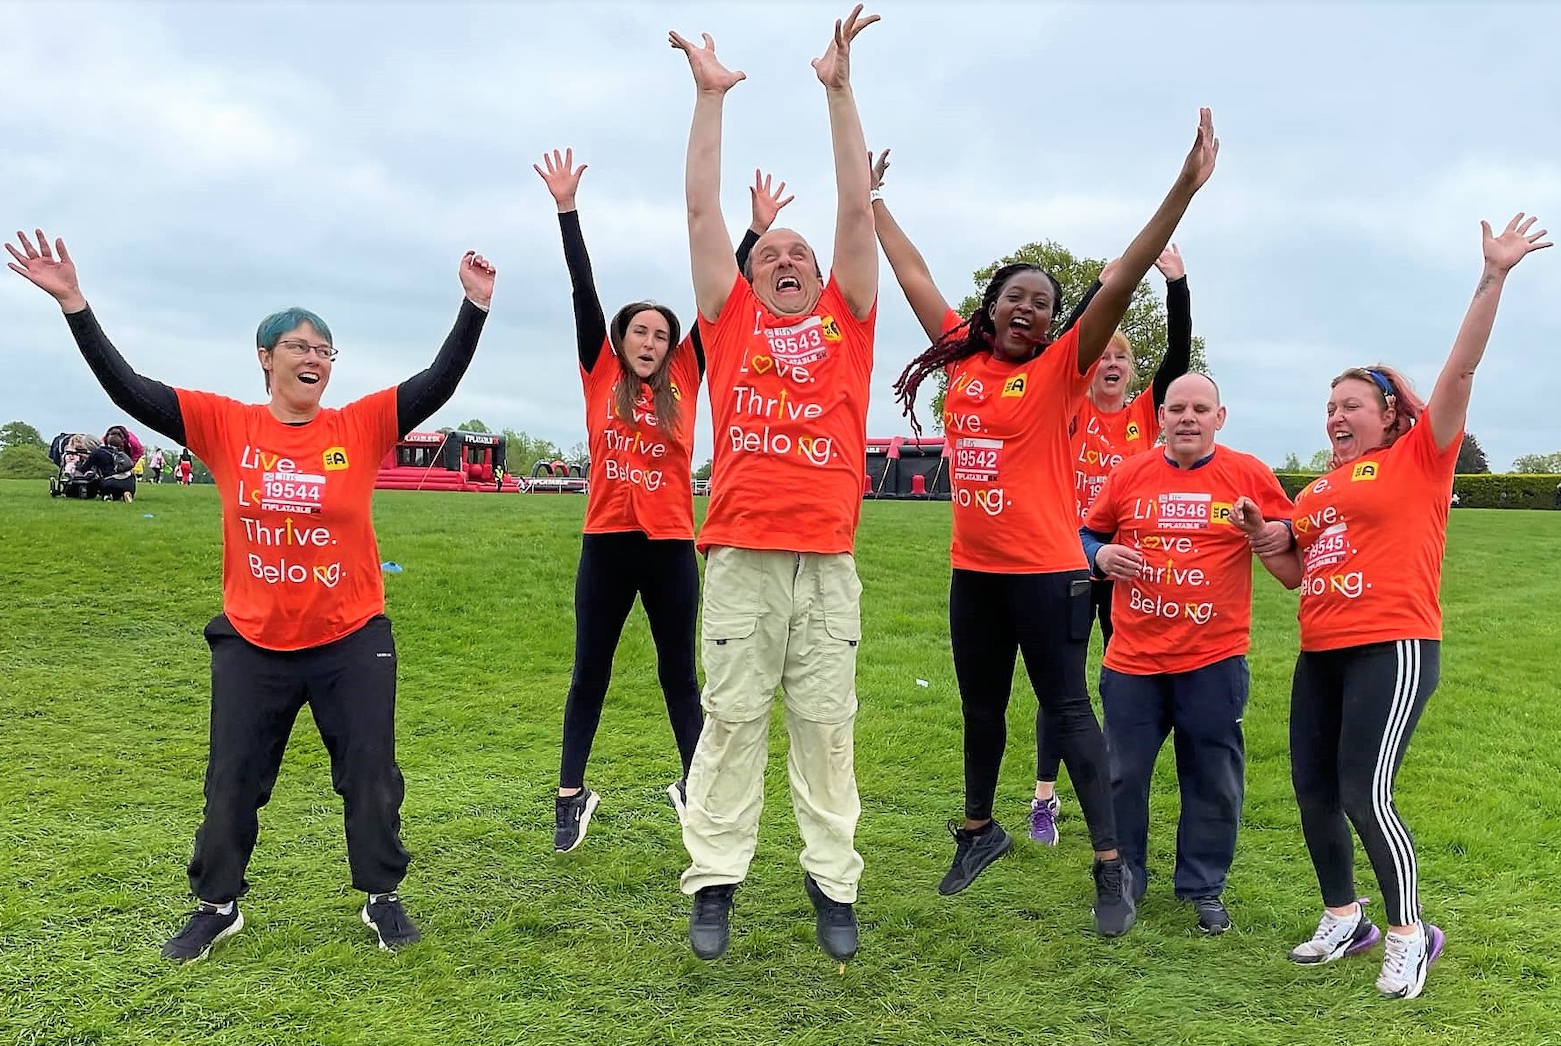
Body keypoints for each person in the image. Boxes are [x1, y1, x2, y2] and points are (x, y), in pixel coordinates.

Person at [7, 226, 497, 961]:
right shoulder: (225, 424)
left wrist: (473, 308)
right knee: (231, 780)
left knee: (370, 777)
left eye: (323, 349)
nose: (313, 358)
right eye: (297, 346)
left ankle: (381, 896)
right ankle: (216, 903)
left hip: (350, 635)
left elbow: (436, 382)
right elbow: (130, 390)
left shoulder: (357, 426)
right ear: (265, 359)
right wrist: (76, 304)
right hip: (253, 638)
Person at [874, 108, 1219, 936]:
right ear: (989, 308)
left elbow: (1124, 276)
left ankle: (1109, 868)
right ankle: (977, 830)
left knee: (1066, 712)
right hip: (975, 574)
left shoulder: (1064, 367)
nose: (1028, 308)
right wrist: (872, 200)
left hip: (1047, 572)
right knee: (980, 710)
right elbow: (913, 274)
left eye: (1043, 301)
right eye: (1014, 297)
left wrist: (1183, 187)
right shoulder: (960, 360)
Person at [1241, 212, 1549, 999]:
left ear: (1386, 417)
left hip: (1393, 646)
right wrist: (1264, 536)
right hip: (1323, 651)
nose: (1336, 417)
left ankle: (1412, 934)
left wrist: (1492, 276)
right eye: (1329, 406)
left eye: (1352, 405)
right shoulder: (1314, 489)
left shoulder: (1420, 458)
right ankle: (1345, 916)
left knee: (1361, 790)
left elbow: (1461, 372)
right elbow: (1296, 575)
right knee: (1311, 787)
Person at [668, 6, 879, 963]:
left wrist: (838, 89)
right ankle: (714, 880)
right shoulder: (729, 322)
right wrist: (710, 99)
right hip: (744, 557)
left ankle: (831, 884)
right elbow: (705, 215)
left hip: (826, 565)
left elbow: (850, 208)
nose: (786, 260)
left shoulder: (851, 319)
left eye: (797, 255)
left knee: (826, 730)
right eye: (771, 257)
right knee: (731, 722)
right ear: (748, 278)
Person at [534, 149, 793, 853]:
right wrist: (567, 210)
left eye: (659, 333)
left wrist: (752, 230)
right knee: (590, 669)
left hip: (673, 544)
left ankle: (697, 788)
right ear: (620, 339)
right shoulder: (598, 369)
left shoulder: (687, 370)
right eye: (639, 332)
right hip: (607, 543)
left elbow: (723, 296)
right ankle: (568, 795)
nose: (649, 341)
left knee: (680, 673)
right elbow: (580, 287)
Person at [1080, 373, 1294, 934]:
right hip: (1133, 661)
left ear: (1220, 417)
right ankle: (1122, 880)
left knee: (1213, 776)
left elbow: (1292, 530)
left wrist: (1266, 531)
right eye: (1177, 408)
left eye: (1200, 408)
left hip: (1214, 659)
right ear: (1162, 418)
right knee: (1123, 775)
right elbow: (1083, 534)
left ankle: (1203, 886)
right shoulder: (1129, 473)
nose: (1188, 418)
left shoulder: (1247, 473)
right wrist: (1100, 557)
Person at [1030, 245, 1193, 843]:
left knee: (1121, 682)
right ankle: (1044, 796)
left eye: (1122, 356)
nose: (1111, 363)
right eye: (1104, 355)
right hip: (1066, 561)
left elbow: (1178, 355)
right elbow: (1070, 336)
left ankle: (1124, 783)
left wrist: (1176, 285)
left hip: (1127, 572)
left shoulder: (1146, 417)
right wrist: (1101, 286)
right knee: (1063, 684)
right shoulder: (1067, 407)